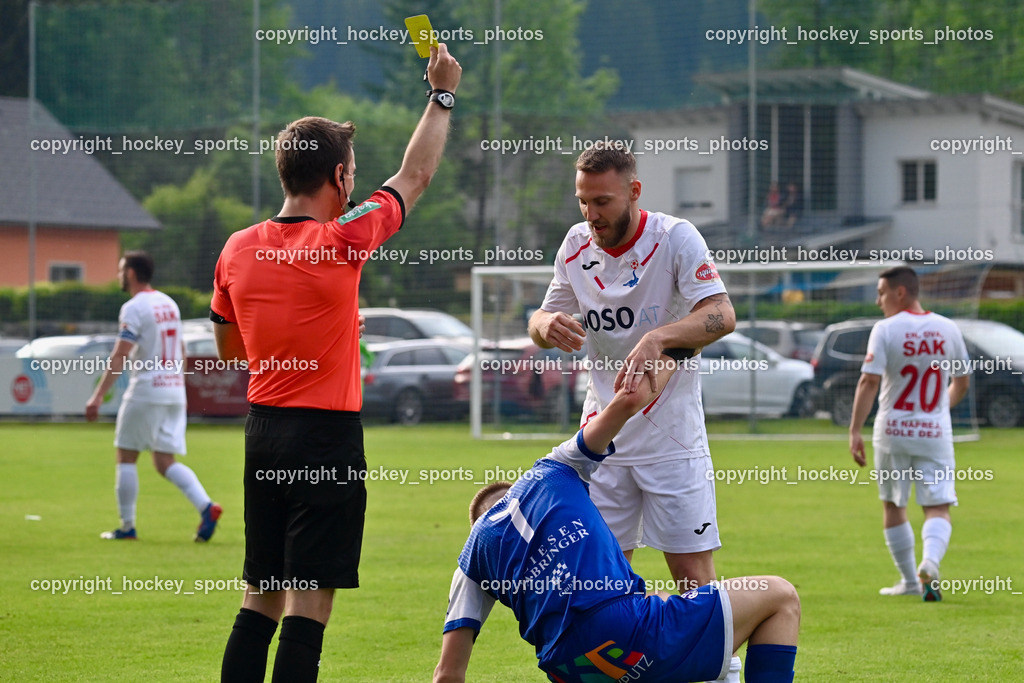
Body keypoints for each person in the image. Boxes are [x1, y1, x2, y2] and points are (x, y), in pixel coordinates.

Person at [212, 44, 461, 682]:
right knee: (309, 601)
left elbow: (229, 349)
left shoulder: (237, 250)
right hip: (325, 435)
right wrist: (442, 95)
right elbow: (415, 176)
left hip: (264, 431)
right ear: (342, 179)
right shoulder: (344, 237)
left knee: (260, 594)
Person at [434, 357, 799, 683]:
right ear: (513, 488)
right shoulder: (554, 470)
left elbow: (448, 674)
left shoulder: (472, 559)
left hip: (566, 667)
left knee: (656, 601)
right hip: (625, 633)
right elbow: (627, 401)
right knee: (780, 596)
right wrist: (677, 351)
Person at [529, 142, 739, 679]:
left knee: (692, 578)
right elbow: (544, 315)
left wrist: (659, 338)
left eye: (602, 201)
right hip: (602, 443)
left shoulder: (675, 238)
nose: (591, 215)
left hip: (672, 439)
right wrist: (544, 326)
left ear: (634, 191)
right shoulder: (576, 245)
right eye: (583, 202)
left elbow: (721, 315)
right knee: (596, 580)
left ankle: (721, 674)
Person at [849, 266, 971, 601]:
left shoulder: (886, 329)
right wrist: (938, 410)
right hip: (934, 432)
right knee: (938, 506)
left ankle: (909, 581)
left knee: (893, 503)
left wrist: (855, 429)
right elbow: (961, 381)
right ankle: (930, 563)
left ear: (900, 292)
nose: (878, 301)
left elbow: (869, 380)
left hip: (892, 430)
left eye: (881, 293)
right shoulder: (947, 328)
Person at [85, 250, 221, 542]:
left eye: (122, 270)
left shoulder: (134, 307)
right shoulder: (169, 303)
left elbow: (122, 351)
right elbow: (181, 351)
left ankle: (127, 527)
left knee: (126, 455)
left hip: (147, 388)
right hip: (173, 391)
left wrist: (97, 396)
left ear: (131, 273)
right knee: (164, 461)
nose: (120, 276)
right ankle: (207, 507)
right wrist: (175, 381)